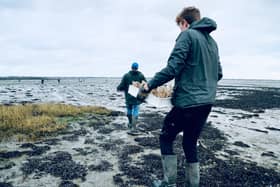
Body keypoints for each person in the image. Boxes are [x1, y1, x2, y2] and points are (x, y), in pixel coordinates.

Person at [139, 7, 223, 187]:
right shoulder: (213, 43)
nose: (180, 30)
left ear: (184, 22)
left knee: (166, 137)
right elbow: (219, 73)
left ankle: (168, 183)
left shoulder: (187, 35)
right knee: (190, 142)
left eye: (180, 26)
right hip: (206, 102)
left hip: (187, 102)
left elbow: (173, 68)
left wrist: (149, 84)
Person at [117, 62, 147, 134]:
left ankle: (130, 124)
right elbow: (145, 85)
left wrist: (119, 88)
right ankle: (134, 127)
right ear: (137, 68)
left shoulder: (126, 76)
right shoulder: (141, 75)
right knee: (135, 111)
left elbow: (121, 86)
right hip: (137, 97)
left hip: (128, 97)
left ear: (131, 67)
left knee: (129, 110)